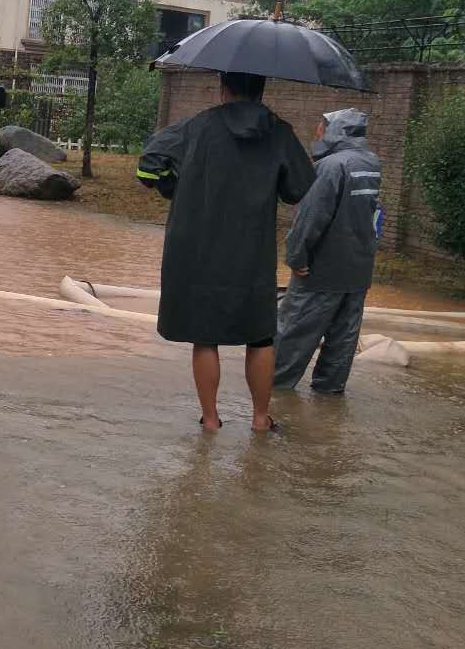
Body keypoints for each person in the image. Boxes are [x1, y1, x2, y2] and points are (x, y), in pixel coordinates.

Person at [136, 71, 314, 432]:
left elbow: (147, 166)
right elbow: (298, 189)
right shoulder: (280, 133)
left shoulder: (195, 127)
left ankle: (212, 419)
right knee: (261, 336)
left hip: (198, 250)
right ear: (261, 89)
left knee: (205, 336)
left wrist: (172, 186)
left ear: (224, 88)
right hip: (252, 251)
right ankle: (261, 419)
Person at [273, 108, 381, 394]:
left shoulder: (332, 167)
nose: (317, 132)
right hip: (358, 269)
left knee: (295, 332)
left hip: (321, 270)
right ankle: (329, 392)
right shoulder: (371, 163)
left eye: (321, 126)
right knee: (343, 337)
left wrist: (296, 257)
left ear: (335, 131)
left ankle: (274, 390)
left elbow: (311, 218)